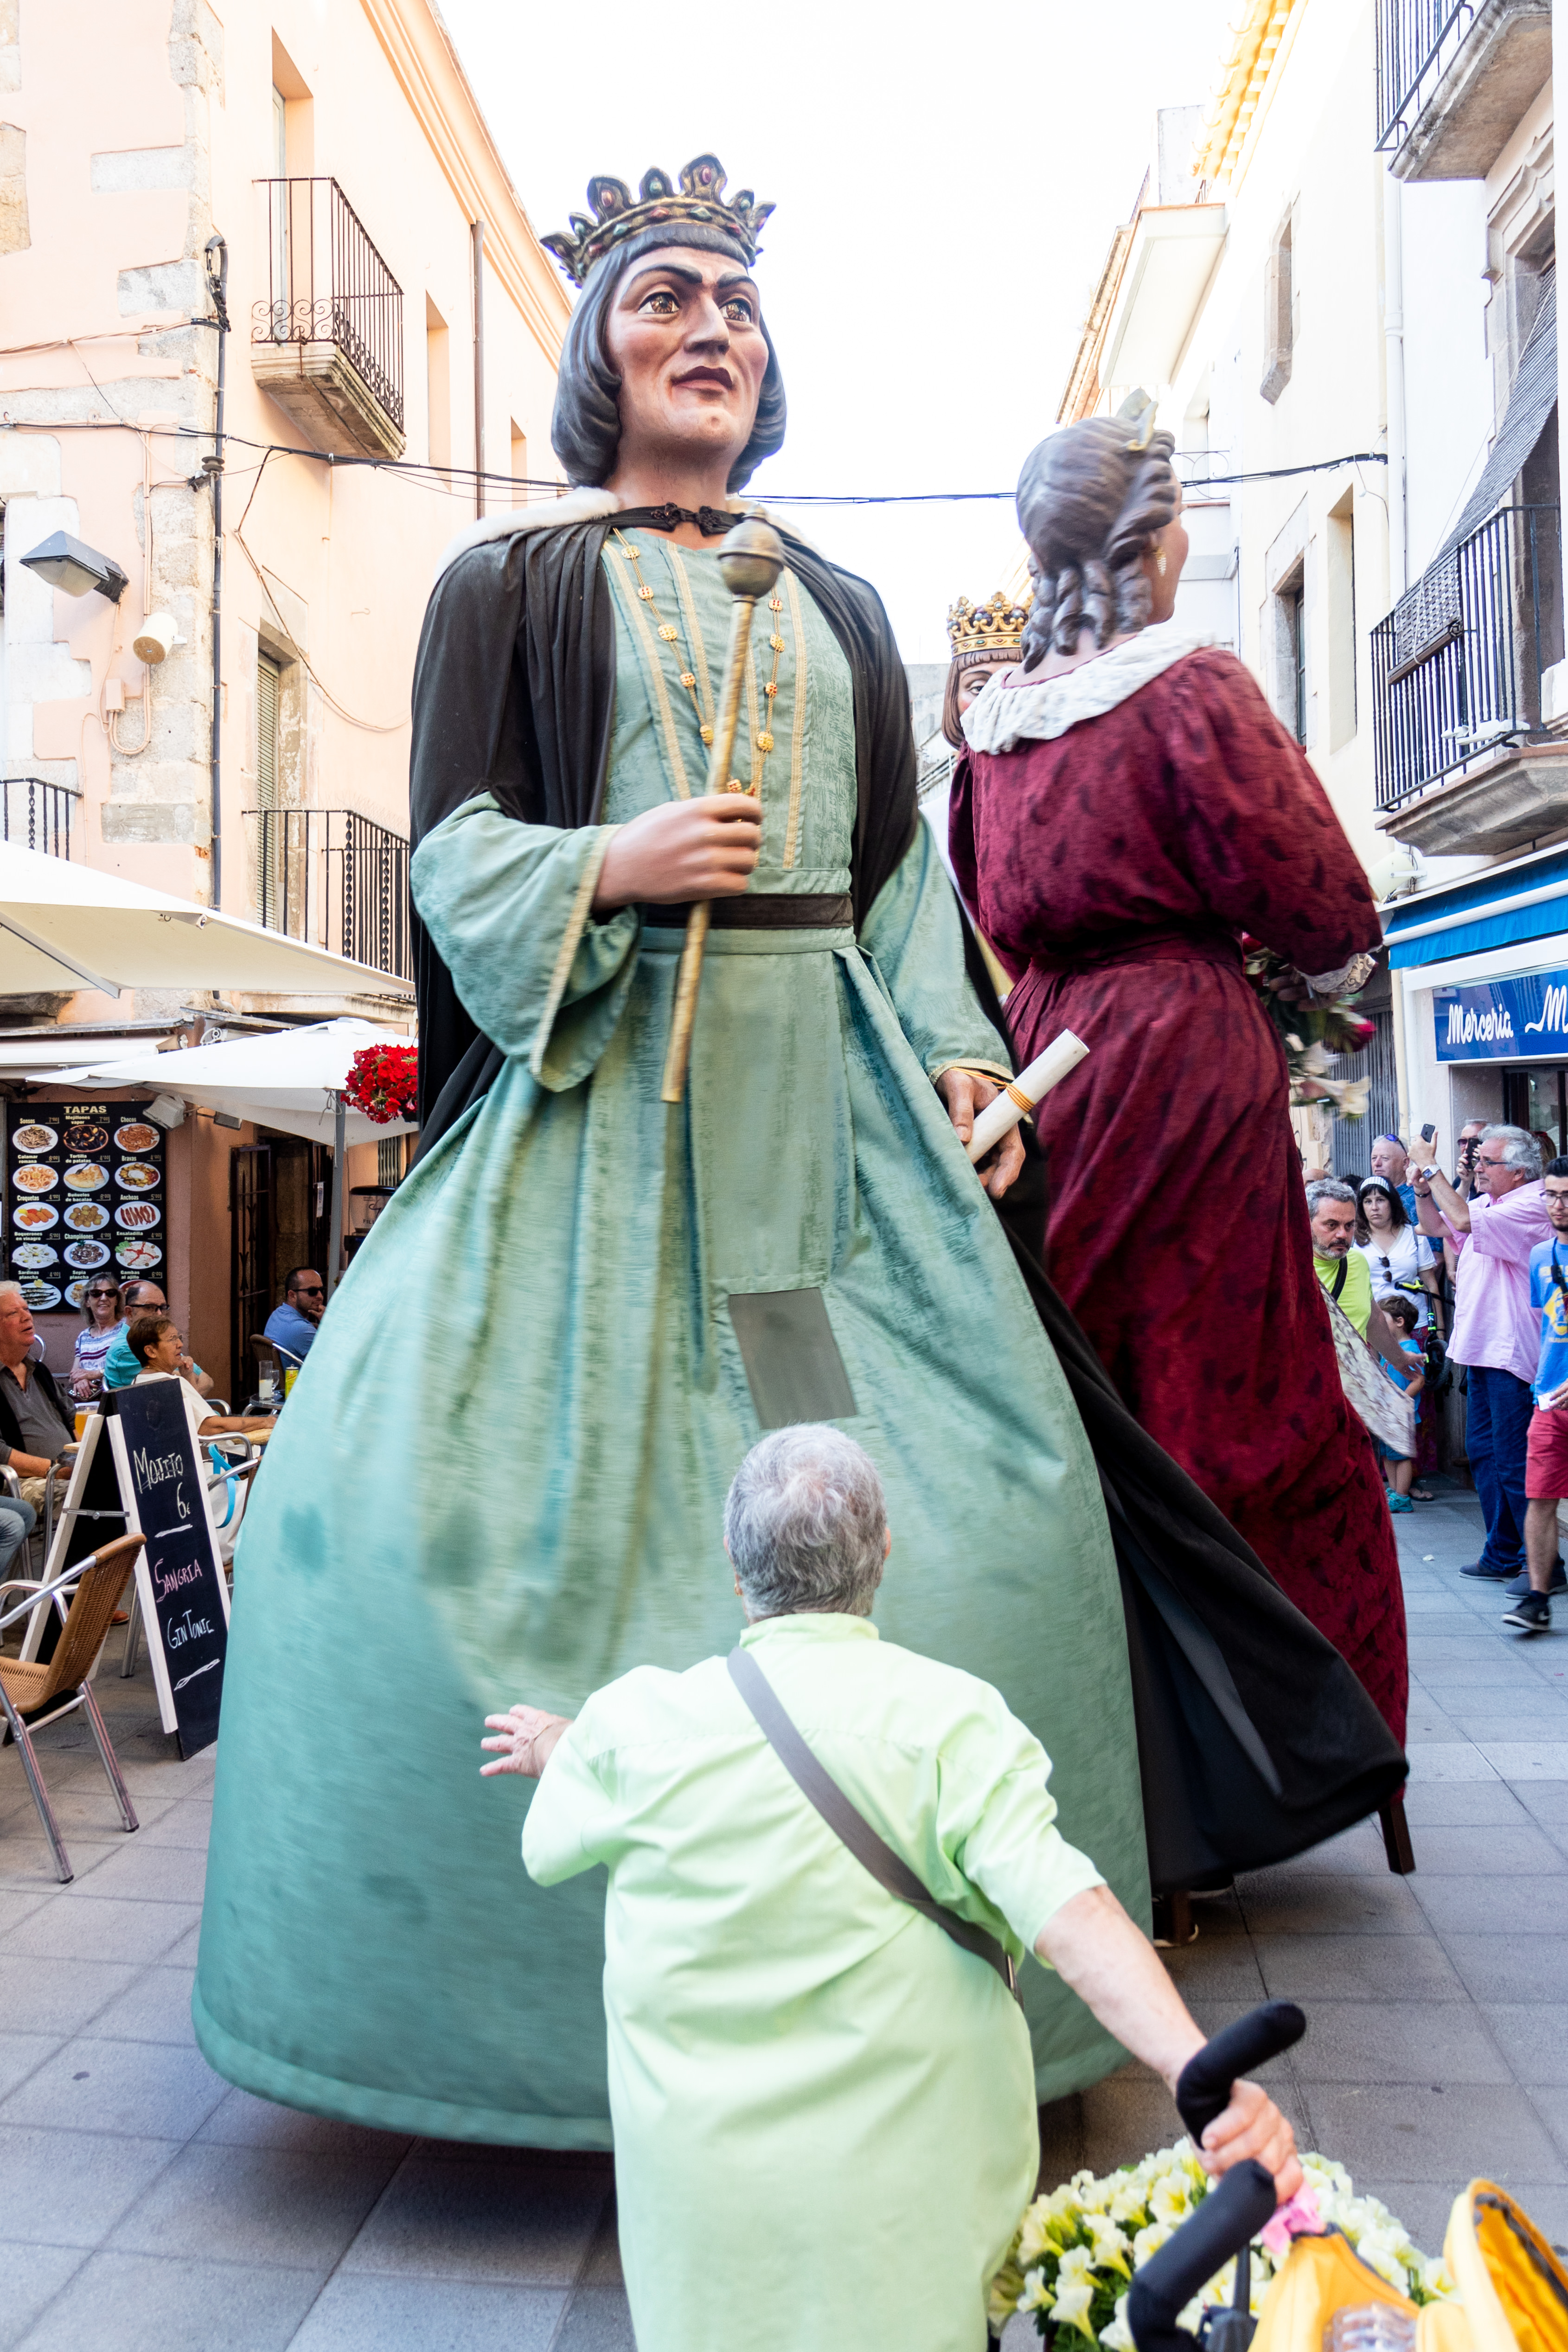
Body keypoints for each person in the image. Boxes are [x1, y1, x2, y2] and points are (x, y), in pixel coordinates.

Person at [195, 160, 1403, 2141]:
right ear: (600, 355)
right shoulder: (507, 587)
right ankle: (509, 2026)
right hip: (602, 1087)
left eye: (737, 305)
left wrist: (959, 1059)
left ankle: (945, 1971)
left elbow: (902, 884)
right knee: (421, 1530)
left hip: (831, 1118)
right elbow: (459, 851)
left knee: (994, 1525)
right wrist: (612, 861)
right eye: (664, 299)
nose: (711, 331)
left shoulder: (844, 604)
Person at [488, 1426, 1300, 2352]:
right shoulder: (952, 1723)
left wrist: (558, 1743)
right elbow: (1068, 1910)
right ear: (881, 1551)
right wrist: (1193, 2070)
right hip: (901, 2219)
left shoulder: (630, 1728)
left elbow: (562, 1824)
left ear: (735, 1566)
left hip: (707, 2215)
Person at [951, 412, 1408, 1743]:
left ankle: (1086, 1718)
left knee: (1078, 1375)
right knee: (1219, 1382)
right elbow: (1321, 900)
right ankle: (1253, 1739)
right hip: (1179, 1058)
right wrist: (1298, 978)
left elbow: (981, 902)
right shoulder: (1193, 686)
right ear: (1148, 543)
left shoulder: (993, 728)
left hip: (1044, 1057)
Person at [1411, 1125, 1551, 1583]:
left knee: (1512, 1460)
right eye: (1479, 1160)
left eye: (1488, 1161)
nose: (1479, 1168)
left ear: (1519, 1170)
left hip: (1512, 1353)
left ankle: (1543, 1564)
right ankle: (1502, 1552)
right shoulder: (1490, 1203)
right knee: (1486, 1455)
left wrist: (1431, 1168)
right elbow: (1437, 1225)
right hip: (1482, 1349)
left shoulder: (1532, 1203)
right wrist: (1424, 1190)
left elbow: (1462, 1221)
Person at [1504, 1154, 1568, 1634]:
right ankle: (1538, 1599)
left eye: (1567, 1196)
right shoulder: (1540, 1256)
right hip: (1548, 1399)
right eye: (1551, 1195)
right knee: (1540, 1497)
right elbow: (1547, 1325)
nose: (1558, 1205)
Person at [125, 1316, 273, 1441]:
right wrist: (265, 1422)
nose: (180, 1344)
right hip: (217, 1454)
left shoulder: (137, 1382)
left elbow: (195, 1415)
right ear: (151, 1351)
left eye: (179, 1338)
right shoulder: (173, 1384)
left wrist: (188, 1375)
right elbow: (213, 1427)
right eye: (172, 1340)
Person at [0, 1282, 74, 1511]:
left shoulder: (39, 1371)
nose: (27, 1317)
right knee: (88, 1492)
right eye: (14, 1313)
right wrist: (56, 1470)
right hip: (17, 1481)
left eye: (26, 1309)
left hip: (64, 1471)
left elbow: (74, 1421)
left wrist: (88, 1458)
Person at [102, 1281, 214, 1397]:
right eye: (150, 1308)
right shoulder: (128, 1348)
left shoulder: (157, 1339)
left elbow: (207, 1381)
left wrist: (189, 1379)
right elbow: (182, 1386)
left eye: (163, 1308)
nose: (160, 1314)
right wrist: (190, 1379)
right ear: (129, 1312)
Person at [1355, 1176, 1440, 1329]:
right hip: (1373, 1328)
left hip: (1416, 1325)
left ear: (1392, 1203)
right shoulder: (1353, 1242)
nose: (1374, 1207)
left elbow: (1430, 1286)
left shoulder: (1415, 1236)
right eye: (1368, 1202)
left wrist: (1439, 1329)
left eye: (1381, 1200)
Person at [1374, 1293, 1426, 1513]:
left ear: (1399, 1321)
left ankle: (1403, 1496)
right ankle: (1395, 1492)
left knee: (1401, 1456)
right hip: (1388, 1413)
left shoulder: (1410, 1350)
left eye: (1382, 1319)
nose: (1378, 1324)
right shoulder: (1390, 1351)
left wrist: (1401, 1401)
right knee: (1388, 1454)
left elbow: (1419, 1380)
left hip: (1401, 1414)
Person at [1309, 1179, 1373, 1336]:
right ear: (1306, 1221)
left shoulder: (1358, 1261)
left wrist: (1399, 1352)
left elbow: (1372, 1318)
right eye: (1331, 1225)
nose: (1343, 1234)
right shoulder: (1287, 1268)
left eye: (1349, 1225)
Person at [70, 1278, 123, 1403]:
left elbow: (131, 1368)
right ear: (87, 1302)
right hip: (86, 1403)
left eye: (110, 1293)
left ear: (117, 1301)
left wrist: (95, 1374)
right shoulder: (83, 1337)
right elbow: (74, 1374)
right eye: (96, 1293)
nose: (104, 1298)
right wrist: (80, 1380)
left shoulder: (126, 1331)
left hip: (117, 1401)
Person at [263, 1267, 325, 1370]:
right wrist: (330, 1323)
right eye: (312, 1291)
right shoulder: (301, 1329)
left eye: (321, 1290)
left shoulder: (278, 1314)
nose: (320, 1296)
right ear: (292, 1295)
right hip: (300, 1380)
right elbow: (338, 1360)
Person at [1370, 1134, 1418, 1224]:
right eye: (1374, 1158)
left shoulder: (1417, 1202)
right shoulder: (1368, 1196)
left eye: (1385, 1158)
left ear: (1405, 1163)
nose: (1377, 1163)